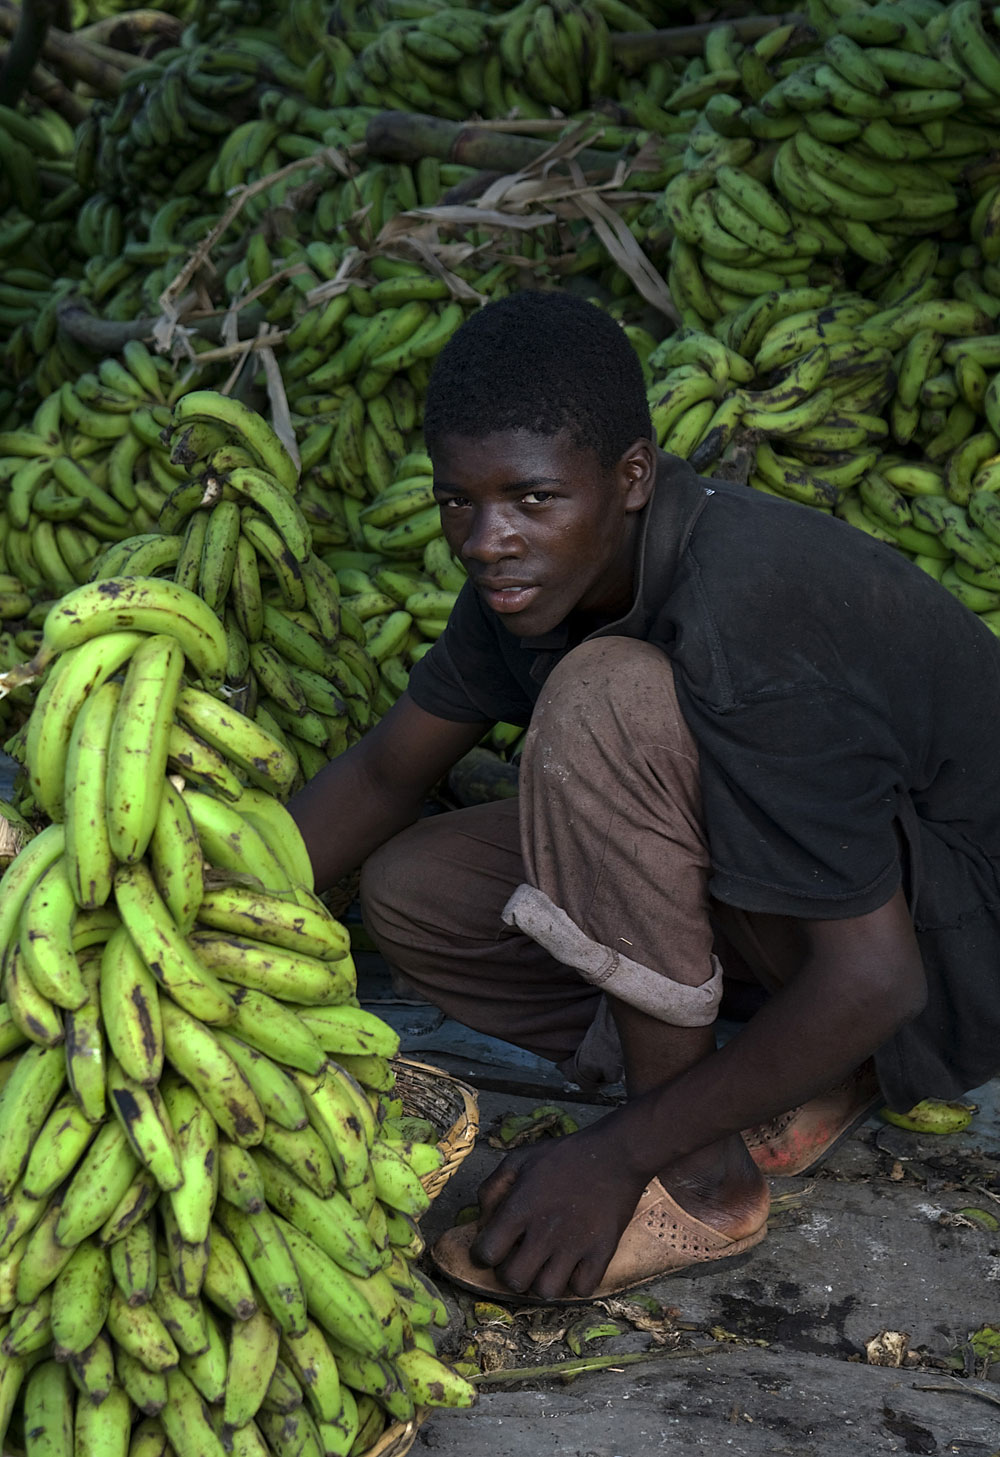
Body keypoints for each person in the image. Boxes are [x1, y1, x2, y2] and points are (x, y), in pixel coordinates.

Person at [288, 289, 1000, 1305]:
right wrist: (178, 918)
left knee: (605, 702)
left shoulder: (747, 612)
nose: (487, 538)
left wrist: (614, 1154)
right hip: (818, 911)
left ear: (630, 477)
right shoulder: (528, 581)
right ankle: (778, 1071)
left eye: (533, 498)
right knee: (416, 886)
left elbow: (878, 975)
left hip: (947, 962)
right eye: (459, 500)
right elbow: (385, 772)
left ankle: (697, 1172)